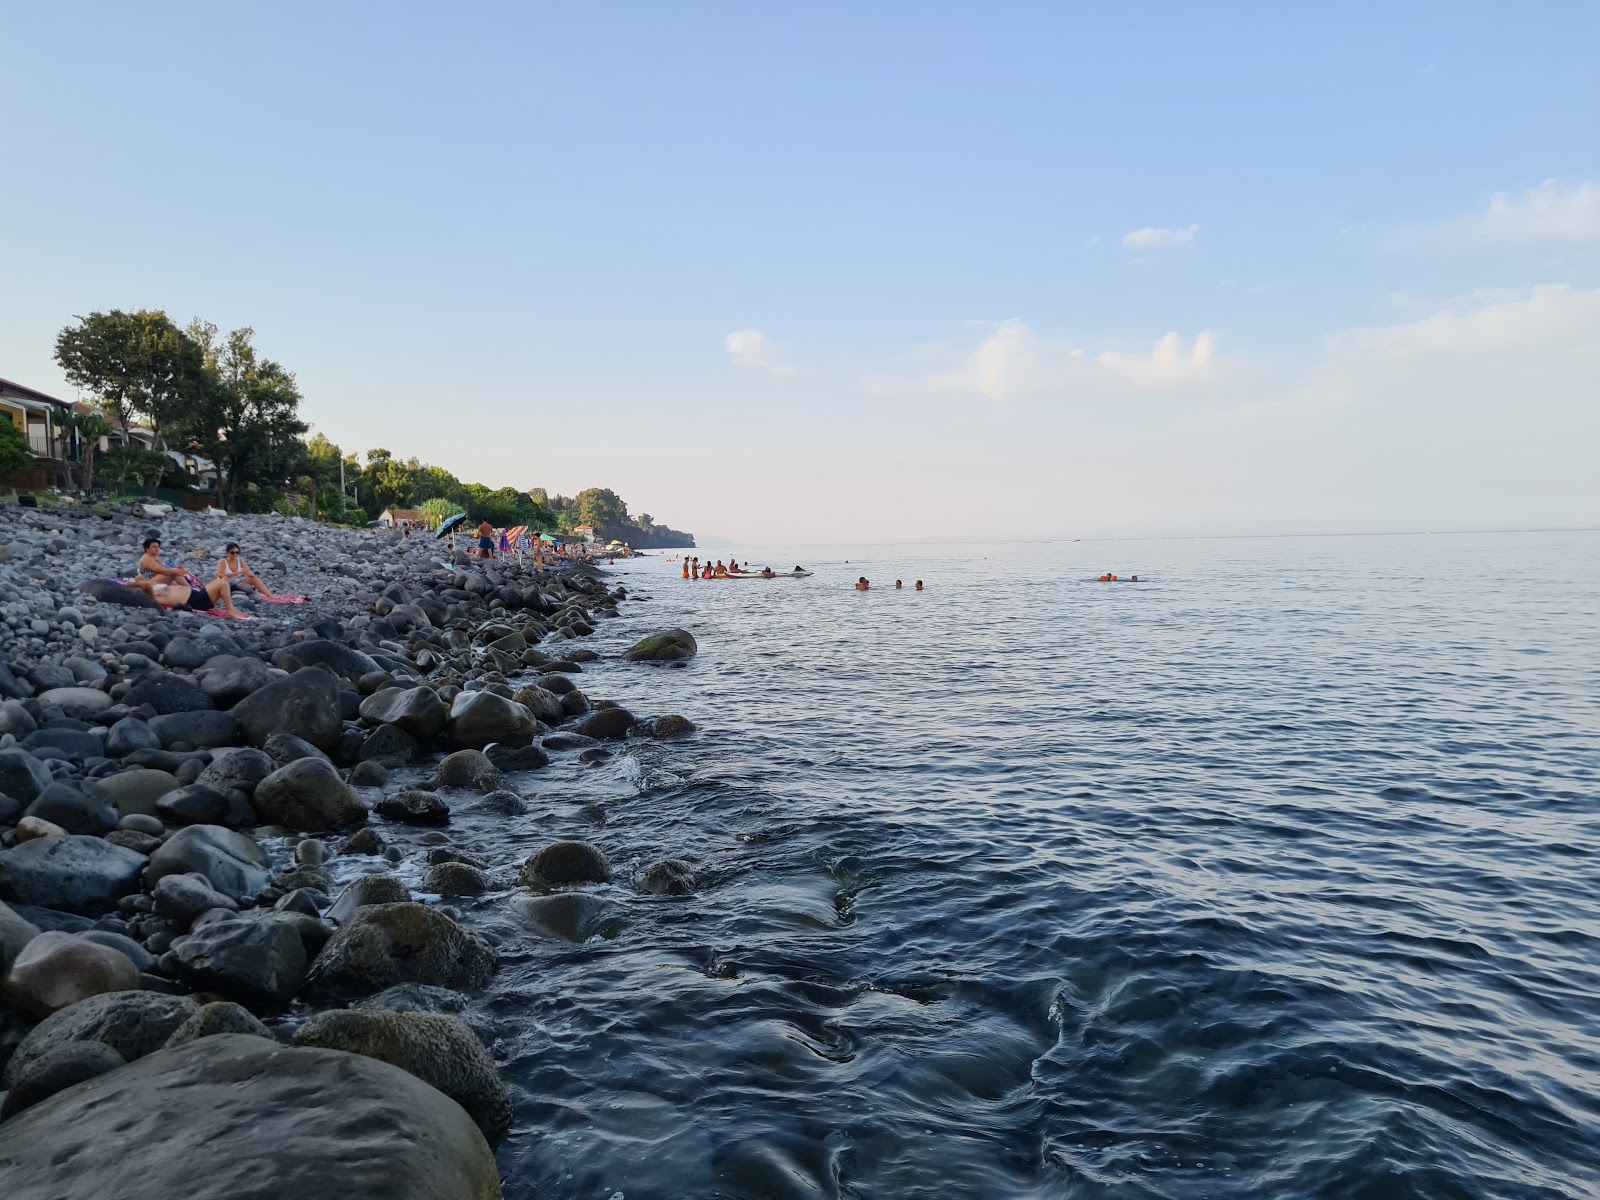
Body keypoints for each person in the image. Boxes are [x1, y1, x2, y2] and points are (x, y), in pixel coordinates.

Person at [128, 574, 241, 616]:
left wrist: (134, 582)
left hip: (197, 593)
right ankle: (230, 609)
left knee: (224, 578)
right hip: (197, 600)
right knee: (222, 583)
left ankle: (231, 601)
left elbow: (139, 578)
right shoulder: (153, 594)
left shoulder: (153, 588)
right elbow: (142, 583)